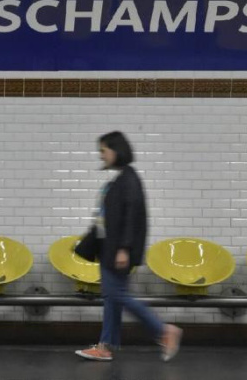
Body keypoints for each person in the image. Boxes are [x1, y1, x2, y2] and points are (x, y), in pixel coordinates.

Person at [75, 131, 183, 363]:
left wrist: (124, 248)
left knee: (116, 294)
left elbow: (133, 216)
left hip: (116, 250)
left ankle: (163, 330)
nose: (101, 156)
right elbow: (106, 219)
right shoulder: (120, 179)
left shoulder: (129, 180)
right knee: (112, 298)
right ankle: (105, 346)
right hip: (108, 249)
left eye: (103, 151)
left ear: (116, 150)